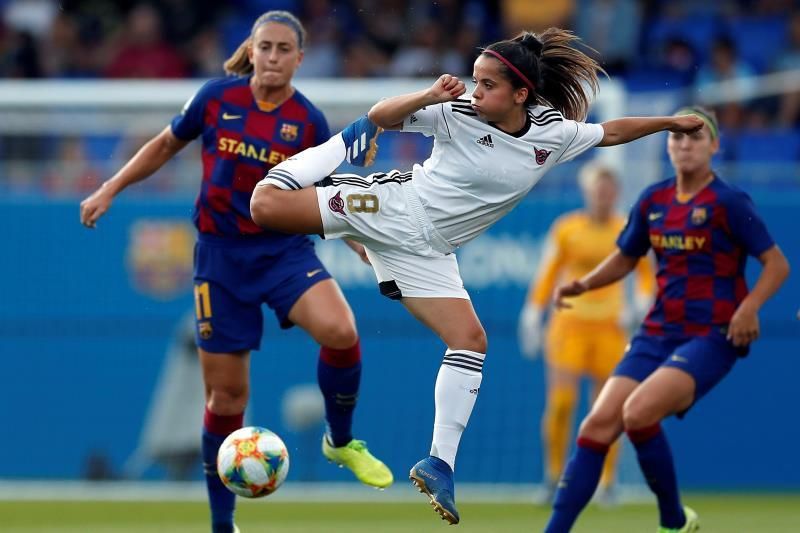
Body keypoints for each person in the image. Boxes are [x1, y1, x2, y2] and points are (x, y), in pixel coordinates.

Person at [249, 28, 705, 525]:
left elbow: (612, 131)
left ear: (521, 94)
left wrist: (670, 123)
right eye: (474, 80)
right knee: (265, 204)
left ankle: (439, 463)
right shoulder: (454, 111)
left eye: (487, 84)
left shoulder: (553, 135)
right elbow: (381, 117)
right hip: (393, 208)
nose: (475, 91)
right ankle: (338, 176)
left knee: (470, 340)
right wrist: (429, 94)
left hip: (432, 252)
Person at [79, 11, 392, 533]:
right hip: (221, 260)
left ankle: (339, 442)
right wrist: (110, 187)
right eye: (264, 46)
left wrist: (358, 237)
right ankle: (222, 522)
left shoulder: (308, 121)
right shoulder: (215, 99)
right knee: (227, 399)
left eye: (282, 49)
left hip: (283, 254)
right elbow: (163, 145)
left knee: (341, 331)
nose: (272, 57)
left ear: (298, 57)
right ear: (251, 49)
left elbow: (326, 189)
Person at [543, 106, 790, 533]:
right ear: (667, 145)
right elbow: (625, 257)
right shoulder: (654, 200)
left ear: (714, 145)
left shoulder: (728, 202)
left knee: (637, 413)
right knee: (597, 424)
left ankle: (672, 520)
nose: (685, 143)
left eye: (696, 136)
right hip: (657, 332)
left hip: (712, 335)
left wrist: (749, 307)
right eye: (678, 136)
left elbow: (777, 264)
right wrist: (584, 284)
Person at [518, 162, 654, 505]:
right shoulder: (566, 229)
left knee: (606, 409)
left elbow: (645, 276)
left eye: (608, 189)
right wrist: (533, 313)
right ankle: (552, 477)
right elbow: (547, 273)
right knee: (562, 403)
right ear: (587, 192)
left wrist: (638, 306)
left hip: (611, 326)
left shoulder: (628, 228)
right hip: (568, 325)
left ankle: (606, 483)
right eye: (597, 189)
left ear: (616, 193)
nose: (602, 195)